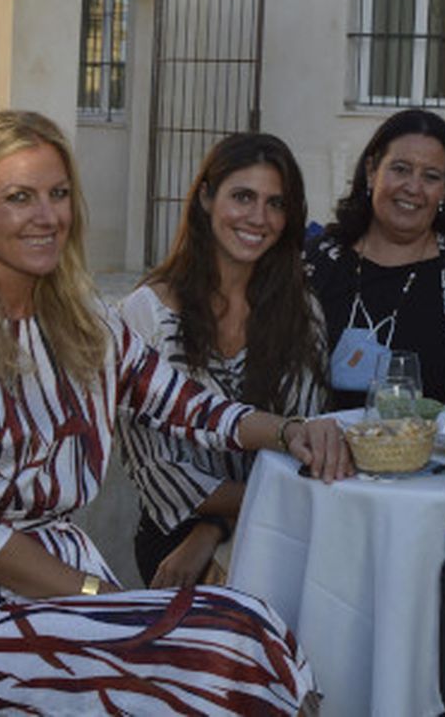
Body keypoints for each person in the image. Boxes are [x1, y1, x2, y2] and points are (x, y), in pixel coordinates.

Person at [0, 110, 351, 714]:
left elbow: (189, 406)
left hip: (68, 600)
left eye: (58, 194)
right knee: (223, 662)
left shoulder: (81, 322)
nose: (47, 217)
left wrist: (292, 430)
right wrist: (104, 599)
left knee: (255, 625)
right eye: (18, 198)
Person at [115, 132, 327, 589]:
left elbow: (303, 445)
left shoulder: (302, 311)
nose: (258, 217)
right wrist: (210, 529)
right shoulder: (146, 314)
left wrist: (218, 530)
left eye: (276, 203)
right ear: (207, 198)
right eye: (243, 197)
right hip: (174, 542)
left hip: (280, 538)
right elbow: (158, 472)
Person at [305, 107, 445, 408]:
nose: (413, 187)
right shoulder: (315, 263)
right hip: (316, 452)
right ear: (371, 171)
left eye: (431, 176)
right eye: (400, 169)